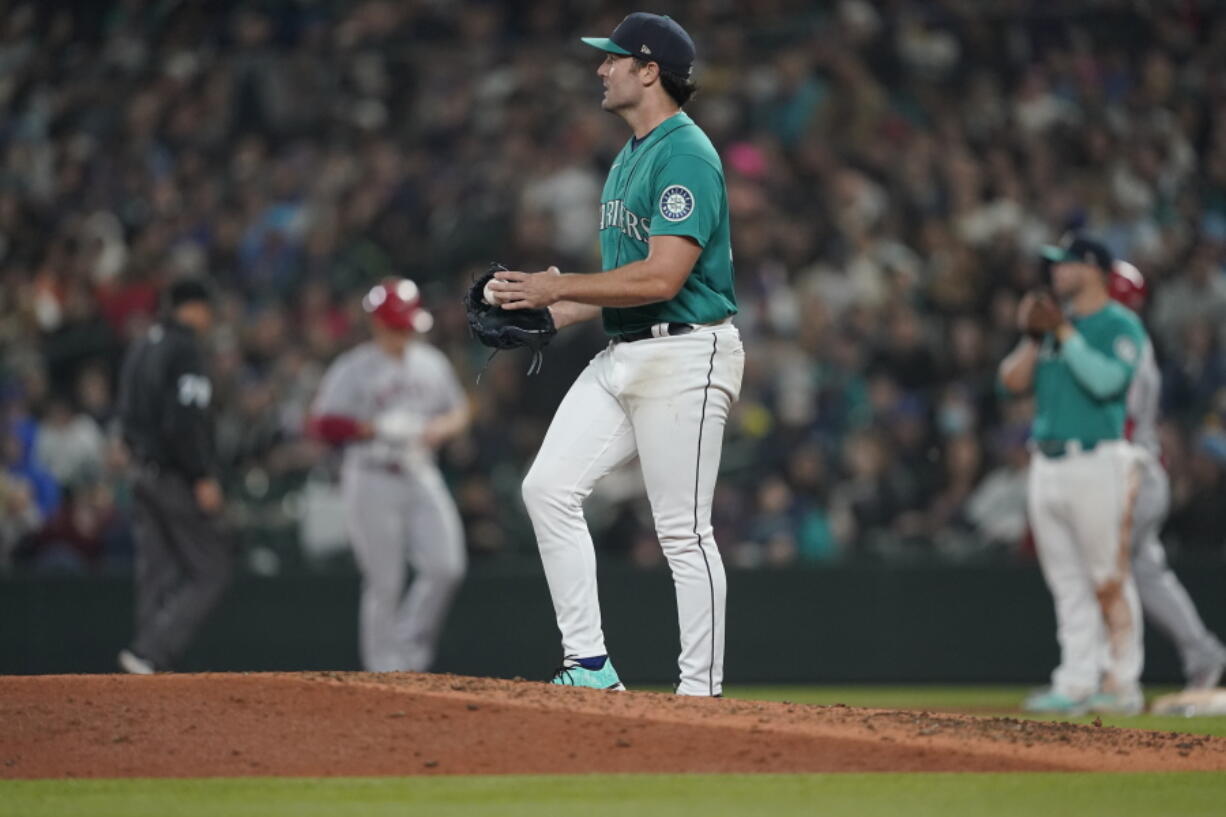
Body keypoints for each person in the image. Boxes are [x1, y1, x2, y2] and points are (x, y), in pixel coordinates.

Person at [488, 12, 744, 695]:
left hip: (688, 354)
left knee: (682, 532)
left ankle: (702, 693)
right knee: (547, 488)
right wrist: (546, 308)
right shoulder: (631, 155)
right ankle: (592, 665)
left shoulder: (685, 152)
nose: (601, 68)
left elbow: (662, 278)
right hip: (626, 350)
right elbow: (626, 285)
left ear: (649, 69)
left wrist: (558, 282)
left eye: (614, 59)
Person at [999, 235, 1149, 715]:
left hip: (1098, 459)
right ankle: (1076, 680)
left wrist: (1063, 332)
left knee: (1108, 577)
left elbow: (1107, 383)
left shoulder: (1119, 325)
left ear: (1094, 269)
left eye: (1066, 264)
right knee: (1066, 582)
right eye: (1055, 265)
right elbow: (1011, 382)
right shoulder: (1054, 326)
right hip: (1048, 460)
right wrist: (1033, 335)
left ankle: (1122, 682)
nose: (1056, 272)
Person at [308, 279, 469, 672]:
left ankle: (410, 651)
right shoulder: (353, 368)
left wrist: (440, 430)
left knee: (447, 566)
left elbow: (460, 410)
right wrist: (374, 428)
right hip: (371, 475)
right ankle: (384, 669)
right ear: (378, 324)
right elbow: (322, 425)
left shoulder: (431, 362)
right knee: (385, 582)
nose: (404, 332)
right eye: (397, 324)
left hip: (419, 470)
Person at [1108, 261, 1226, 690]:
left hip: (1130, 472)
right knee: (1145, 572)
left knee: (1103, 570)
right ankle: (1203, 652)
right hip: (1145, 469)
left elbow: (1115, 421)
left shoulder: (1121, 344)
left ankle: (1112, 674)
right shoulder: (1134, 342)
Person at [116, 278, 231, 674]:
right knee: (211, 567)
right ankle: (153, 651)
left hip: (142, 470)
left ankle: (146, 663)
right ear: (195, 307)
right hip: (175, 475)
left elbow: (126, 413)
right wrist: (201, 474)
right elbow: (187, 418)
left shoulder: (143, 343)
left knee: (158, 570)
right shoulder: (185, 348)